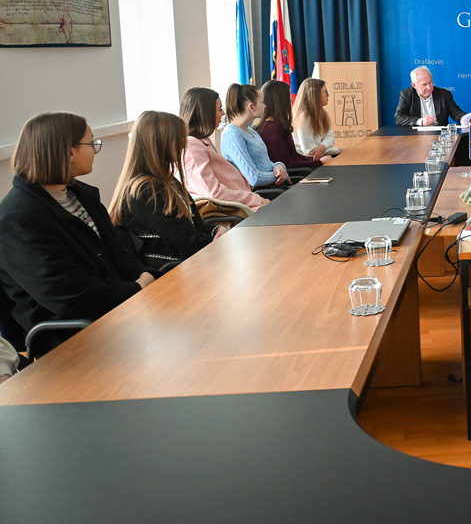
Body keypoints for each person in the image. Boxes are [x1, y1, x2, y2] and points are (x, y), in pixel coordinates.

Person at [0, 113, 157, 352]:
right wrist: (137, 289)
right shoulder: (17, 218)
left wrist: (147, 278)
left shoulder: (80, 193)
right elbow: (71, 296)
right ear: (70, 153)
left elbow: (118, 250)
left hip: (116, 314)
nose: (95, 150)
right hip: (72, 339)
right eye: (91, 143)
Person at [109, 111, 226, 266]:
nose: (184, 145)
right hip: (173, 271)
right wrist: (219, 238)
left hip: (188, 263)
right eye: (179, 139)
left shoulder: (167, 180)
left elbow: (196, 225)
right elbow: (189, 242)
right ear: (162, 143)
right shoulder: (146, 191)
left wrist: (218, 230)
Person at [179, 87, 269, 210]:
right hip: (235, 210)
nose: (223, 114)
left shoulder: (202, 140)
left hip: (243, 203)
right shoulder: (191, 147)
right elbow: (214, 193)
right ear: (205, 113)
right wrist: (255, 199)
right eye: (219, 109)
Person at [221, 84, 289, 189]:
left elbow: (267, 164)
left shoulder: (252, 131)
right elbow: (253, 178)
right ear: (251, 107)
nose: (265, 106)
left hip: (273, 187)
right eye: (262, 102)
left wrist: (279, 166)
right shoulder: (232, 134)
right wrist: (281, 176)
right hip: (262, 193)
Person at [256, 80, 327, 172]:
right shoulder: (271, 130)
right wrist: (319, 163)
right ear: (279, 99)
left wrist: (318, 161)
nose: (292, 99)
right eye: (289, 94)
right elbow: (287, 164)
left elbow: (294, 156)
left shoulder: (277, 125)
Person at [394, 65, 470, 127]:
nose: (429, 87)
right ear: (414, 85)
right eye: (424, 84)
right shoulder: (407, 95)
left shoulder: (444, 94)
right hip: (415, 136)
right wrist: (421, 121)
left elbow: (456, 112)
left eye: (430, 82)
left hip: (440, 135)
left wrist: (466, 119)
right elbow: (399, 118)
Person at [292, 78, 340, 158]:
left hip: (319, 157)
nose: (328, 95)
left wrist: (322, 147)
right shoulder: (304, 117)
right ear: (315, 95)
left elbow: (330, 136)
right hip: (307, 161)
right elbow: (310, 152)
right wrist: (339, 150)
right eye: (325, 92)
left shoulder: (321, 113)